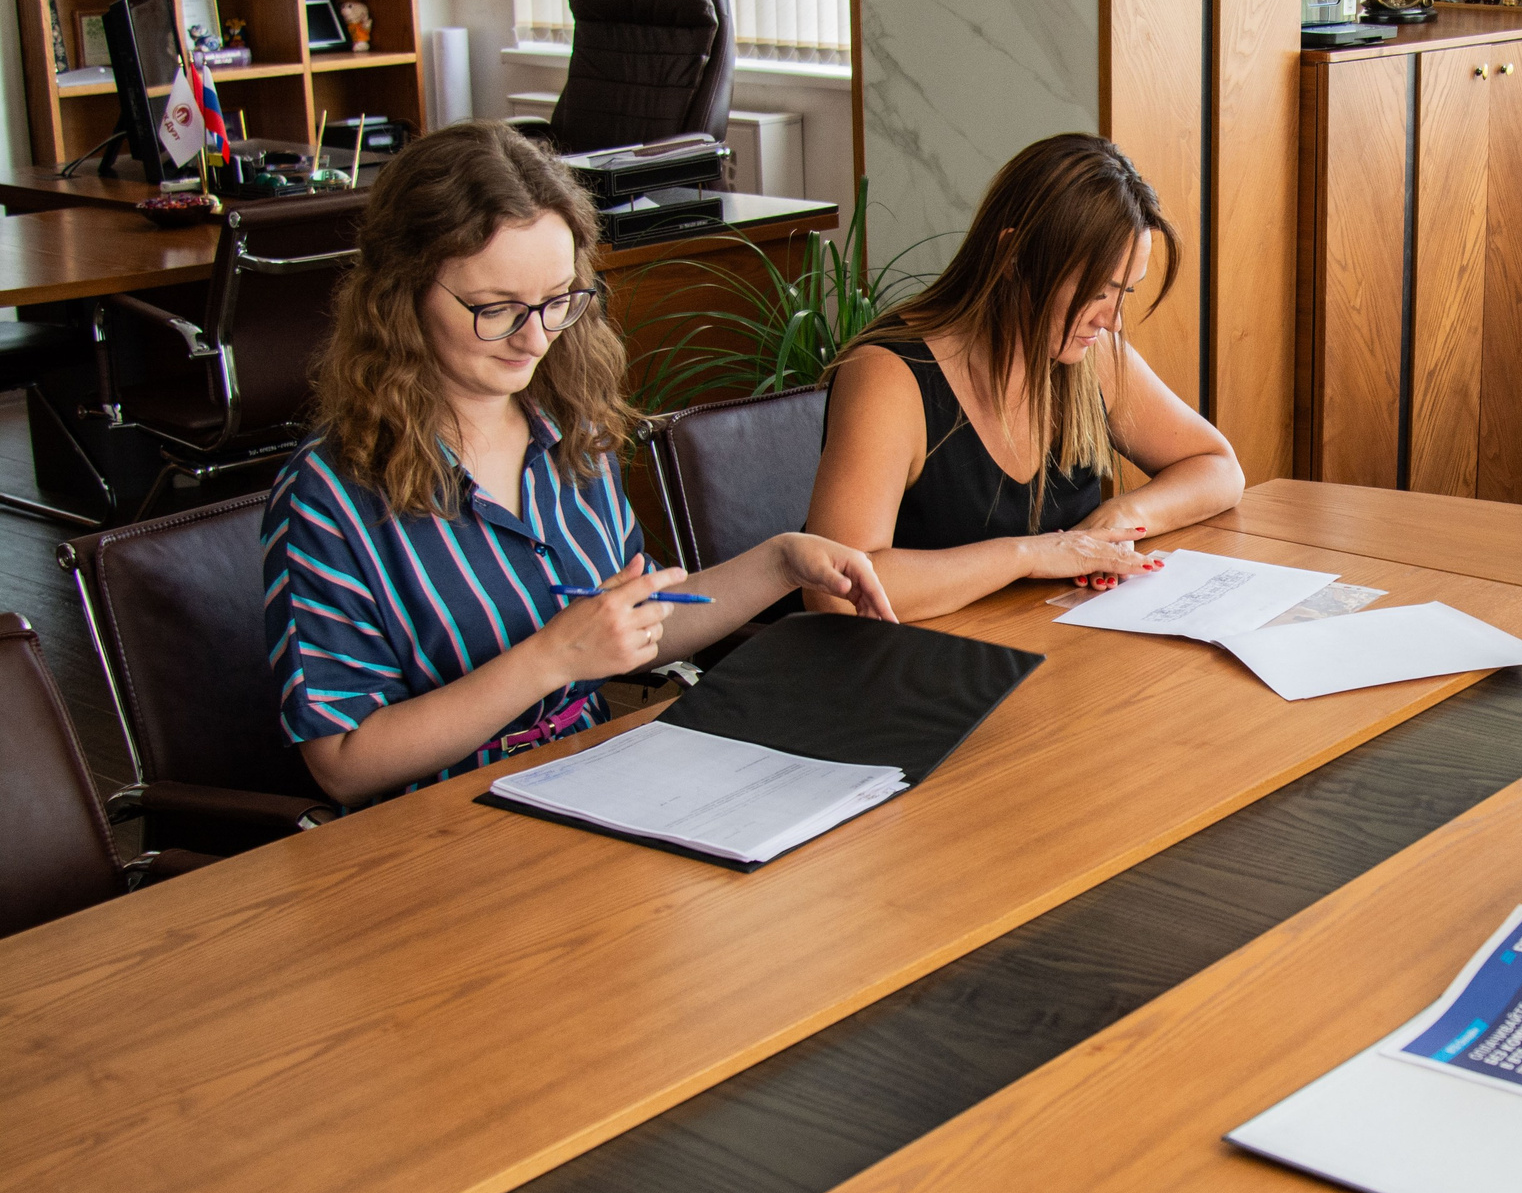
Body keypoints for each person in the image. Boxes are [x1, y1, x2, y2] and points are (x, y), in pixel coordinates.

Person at [262, 122, 895, 808]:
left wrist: (778, 562)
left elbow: (634, 625)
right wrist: (551, 658)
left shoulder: (568, 427)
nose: (536, 337)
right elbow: (344, 763)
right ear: (401, 296)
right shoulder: (329, 494)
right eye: (496, 309)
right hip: (436, 828)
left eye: (558, 299)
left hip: (584, 783)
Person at [804, 133, 1244, 621]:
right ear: (1014, 256)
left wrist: (1123, 518)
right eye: (1098, 291)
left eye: (1126, 293)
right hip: (908, 670)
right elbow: (835, 591)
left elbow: (1218, 467)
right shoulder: (888, 377)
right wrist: (1029, 556)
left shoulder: (1091, 357)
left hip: (1047, 653)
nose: (1112, 321)